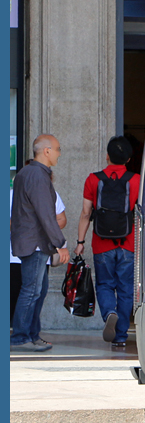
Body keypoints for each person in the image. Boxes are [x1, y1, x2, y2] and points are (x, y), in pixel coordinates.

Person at [75, 136, 140, 350]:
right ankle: (121, 335)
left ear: (107, 156)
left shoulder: (93, 180)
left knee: (104, 284)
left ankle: (109, 312)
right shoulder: (136, 180)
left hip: (102, 243)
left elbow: (86, 213)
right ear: (129, 159)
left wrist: (80, 241)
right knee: (125, 289)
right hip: (128, 243)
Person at [10, 134, 70, 352]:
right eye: (57, 149)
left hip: (32, 242)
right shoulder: (36, 175)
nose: (59, 154)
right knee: (32, 290)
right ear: (46, 151)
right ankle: (20, 337)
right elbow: (46, 214)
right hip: (34, 243)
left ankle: (32, 335)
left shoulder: (27, 173)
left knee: (39, 290)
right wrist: (60, 243)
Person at [10, 176, 67, 323]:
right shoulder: (11, 195)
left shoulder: (50, 195)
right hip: (14, 255)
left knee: (38, 294)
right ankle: (21, 334)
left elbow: (61, 219)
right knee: (21, 293)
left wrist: (46, 227)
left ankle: (30, 333)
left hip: (41, 252)